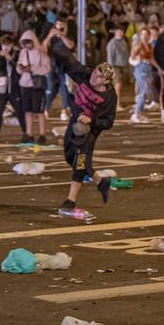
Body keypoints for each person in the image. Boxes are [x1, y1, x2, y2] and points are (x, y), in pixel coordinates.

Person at [52, 40, 119, 220]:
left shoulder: (109, 97)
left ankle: (70, 201)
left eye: (99, 77)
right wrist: (57, 48)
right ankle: (100, 181)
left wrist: (92, 120)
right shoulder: (86, 74)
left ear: (106, 81)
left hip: (88, 131)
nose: (94, 77)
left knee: (80, 163)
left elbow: (109, 122)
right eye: (96, 71)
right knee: (69, 156)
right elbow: (71, 63)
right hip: (75, 122)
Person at [17, 30, 51, 143]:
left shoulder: (41, 53)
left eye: (29, 42)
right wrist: (21, 68)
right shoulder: (23, 52)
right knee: (28, 110)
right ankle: (29, 133)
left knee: (39, 111)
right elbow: (18, 67)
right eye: (25, 43)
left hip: (38, 85)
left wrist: (32, 68)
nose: (27, 45)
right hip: (25, 84)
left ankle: (42, 134)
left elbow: (47, 68)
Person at [0, 35, 23, 142]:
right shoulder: (1, 55)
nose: (5, 47)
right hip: (2, 88)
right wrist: (1, 57)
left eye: (7, 45)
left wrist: (10, 57)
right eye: (3, 45)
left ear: (12, 45)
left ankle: (25, 132)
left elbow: (19, 67)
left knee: (19, 110)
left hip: (14, 87)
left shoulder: (17, 54)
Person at [129, 27, 156, 123]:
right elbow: (131, 57)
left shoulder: (149, 45)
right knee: (143, 91)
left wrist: (159, 68)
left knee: (146, 91)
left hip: (148, 68)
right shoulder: (138, 45)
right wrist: (138, 59)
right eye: (143, 34)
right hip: (140, 69)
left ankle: (139, 113)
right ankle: (135, 114)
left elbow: (151, 58)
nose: (145, 36)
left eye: (146, 34)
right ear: (140, 36)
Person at [106, 27, 129, 112]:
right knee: (117, 85)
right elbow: (110, 57)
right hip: (115, 67)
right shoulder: (112, 43)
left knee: (119, 86)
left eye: (122, 31)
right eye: (119, 32)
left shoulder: (123, 41)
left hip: (122, 66)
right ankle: (116, 104)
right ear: (115, 32)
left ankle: (117, 103)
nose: (120, 33)